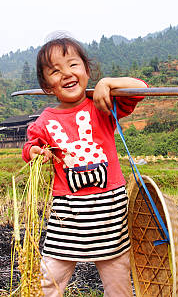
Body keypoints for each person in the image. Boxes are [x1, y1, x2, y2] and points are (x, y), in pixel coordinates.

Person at [22, 37, 147, 297]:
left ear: (87, 71)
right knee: (49, 280)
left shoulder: (102, 105)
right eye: (55, 71)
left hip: (109, 212)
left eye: (73, 65)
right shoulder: (46, 120)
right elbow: (30, 146)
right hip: (67, 215)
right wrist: (35, 152)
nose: (66, 74)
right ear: (47, 86)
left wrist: (108, 83)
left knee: (118, 282)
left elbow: (140, 88)